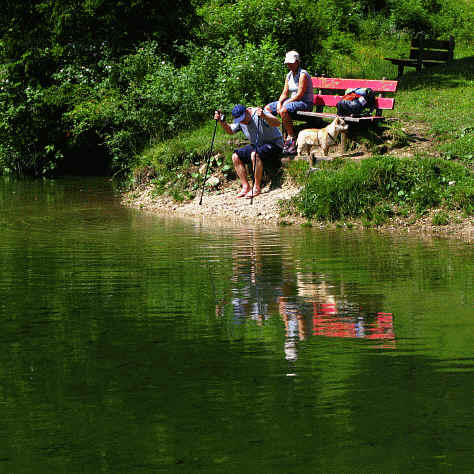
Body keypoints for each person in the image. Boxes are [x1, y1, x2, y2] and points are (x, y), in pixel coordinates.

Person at [214, 104, 283, 198]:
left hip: (274, 144)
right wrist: (222, 122)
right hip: (258, 145)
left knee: (254, 154)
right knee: (235, 156)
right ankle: (246, 187)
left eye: (243, 118)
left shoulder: (259, 113)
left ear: (247, 111)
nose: (242, 121)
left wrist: (265, 116)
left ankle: (257, 187)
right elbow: (230, 131)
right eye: (239, 120)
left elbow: (277, 123)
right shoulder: (241, 120)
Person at [264, 50, 314, 155]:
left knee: (284, 110)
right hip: (292, 102)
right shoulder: (289, 75)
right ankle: (274, 135)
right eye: (287, 63)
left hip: (304, 103)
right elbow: (284, 93)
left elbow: (300, 94)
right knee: (267, 109)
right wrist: (279, 102)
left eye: (291, 63)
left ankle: (291, 138)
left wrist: (285, 104)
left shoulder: (303, 74)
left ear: (297, 62)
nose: (289, 65)